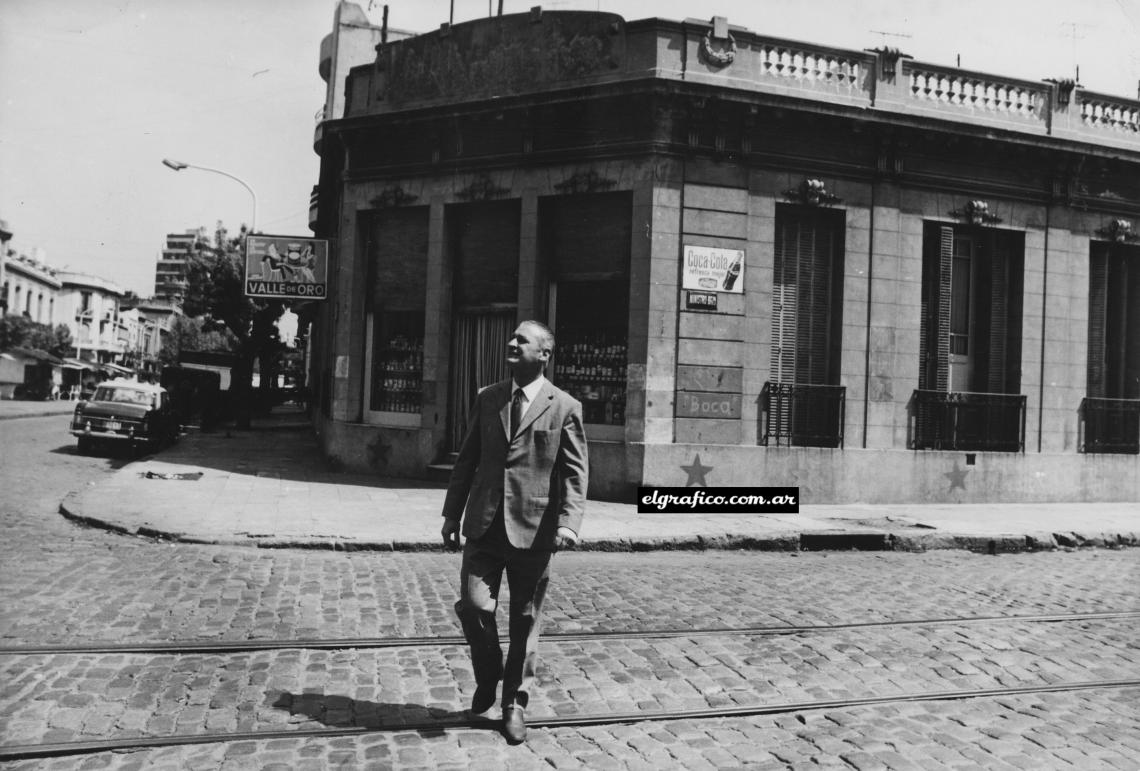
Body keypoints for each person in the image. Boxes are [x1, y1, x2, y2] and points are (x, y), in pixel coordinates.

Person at [441, 320, 588, 745]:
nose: (511, 343)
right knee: (473, 606)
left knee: (525, 621)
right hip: (484, 527)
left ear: (544, 354)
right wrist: (452, 513)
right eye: (512, 337)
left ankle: (514, 703)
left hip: (535, 530)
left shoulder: (565, 407)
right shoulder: (488, 398)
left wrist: (569, 522)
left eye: (522, 340)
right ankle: (489, 676)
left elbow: (576, 472)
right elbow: (467, 457)